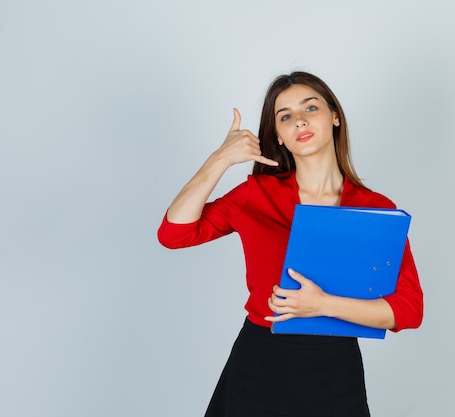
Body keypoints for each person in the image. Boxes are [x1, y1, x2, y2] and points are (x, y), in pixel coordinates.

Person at [157, 71, 423, 417]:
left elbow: (408, 310)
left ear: (335, 117)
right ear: (279, 137)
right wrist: (220, 158)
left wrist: (324, 305)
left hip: (333, 370)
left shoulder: (376, 209)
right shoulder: (255, 194)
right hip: (256, 364)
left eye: (310, 108)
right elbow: (174, 233)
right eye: (285, 116)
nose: (299, 121)